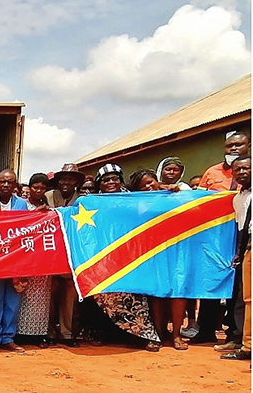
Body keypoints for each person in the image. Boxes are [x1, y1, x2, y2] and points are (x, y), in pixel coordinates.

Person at [88, 163, 160, 352]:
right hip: (102, 255)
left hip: (130, 255)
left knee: (135, 295)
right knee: (103, 295)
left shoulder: (134, 199)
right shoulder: (91, 202)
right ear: (99, 184)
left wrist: (170, 190)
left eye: (115, 178)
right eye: (106, 180)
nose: (111, 182)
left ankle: (141, 335)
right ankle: (103, 333)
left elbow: (156, 205)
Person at [193, 133, 250, 343]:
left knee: (240, 288)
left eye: (239, 144)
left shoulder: (248, 174)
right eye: (229, 146)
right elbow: (197, 203)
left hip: (242, 236)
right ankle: (205, 329)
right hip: (215, 238)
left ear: (248, 146)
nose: (234, 149)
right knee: (212, 281)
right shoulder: (212, 172)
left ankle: (235, 334)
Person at [128, 169, 188, 350]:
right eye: (143, 185)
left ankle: (177, 334)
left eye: (150, 182)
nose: (148, 187)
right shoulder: (136, 203)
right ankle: (160, 334)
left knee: (178, 291)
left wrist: (167, 189)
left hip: (176, 248)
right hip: (150, 251)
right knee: (156, 293)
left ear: (157, 181)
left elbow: (193, 200)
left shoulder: (174, 194)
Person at [0, 169, 27, 355]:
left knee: (12, 301)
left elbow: (28, 229)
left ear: (15, 185)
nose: (5, 185)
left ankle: (8, 338)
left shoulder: (22, 204)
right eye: (2, 181)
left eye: (9, 182)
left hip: (15, 259)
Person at [45, 163, 85, 347]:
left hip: (73, 255)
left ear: (76, 182)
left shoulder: (84, 200)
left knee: (70, 296)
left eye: (70, 179)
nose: (66, 182)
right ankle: (49, 332)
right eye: (63, 179)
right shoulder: (47, 197)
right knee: (50, 296)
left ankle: (66, 333)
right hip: (50, 254)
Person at [16, 173, 52, 348]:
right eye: (35, 187)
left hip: (43, 256)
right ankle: (20, 333)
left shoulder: (48, 206)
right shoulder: (22, 204)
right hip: (25, 253)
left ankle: (39, 334)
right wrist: (34, 215)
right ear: (29, 188)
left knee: (42, 296)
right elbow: (17, 225)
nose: (38, 191)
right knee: (23, 293)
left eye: (42, 188)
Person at [223, 156, 252, 360]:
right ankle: (247, 344)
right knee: (247, 298)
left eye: (247, 168)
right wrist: (239, 253)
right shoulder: (238, 198)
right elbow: (242, 228)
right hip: (248, 248)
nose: (242, 172)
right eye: (238, 169)